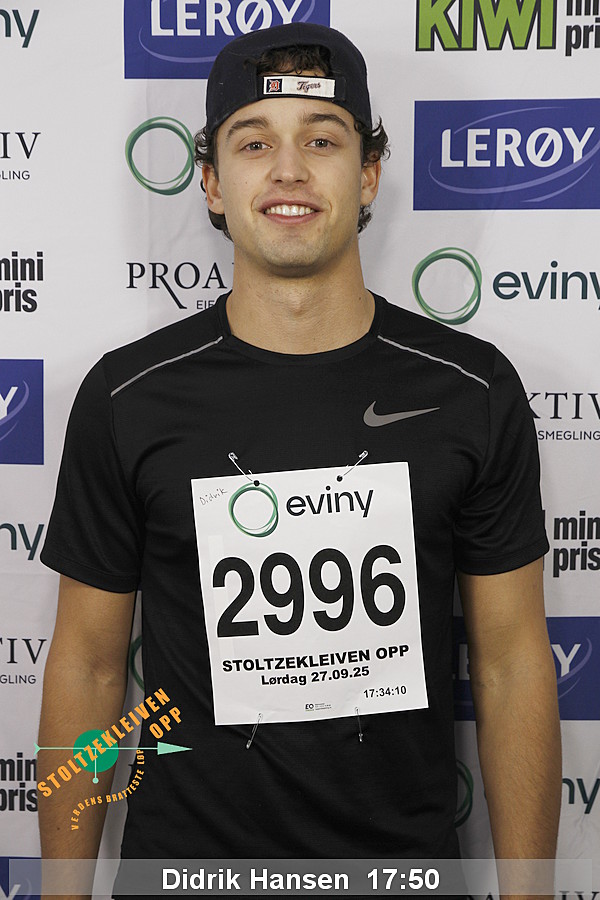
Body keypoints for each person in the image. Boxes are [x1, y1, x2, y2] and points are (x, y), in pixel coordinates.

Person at [38, 20, 561, 895]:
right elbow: (88, 666)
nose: (288, 170)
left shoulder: (472, 390)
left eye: (322, 140)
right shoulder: (128, 397)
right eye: (254, 143)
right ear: (212, 181)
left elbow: (511, 665)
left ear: (368, 174)